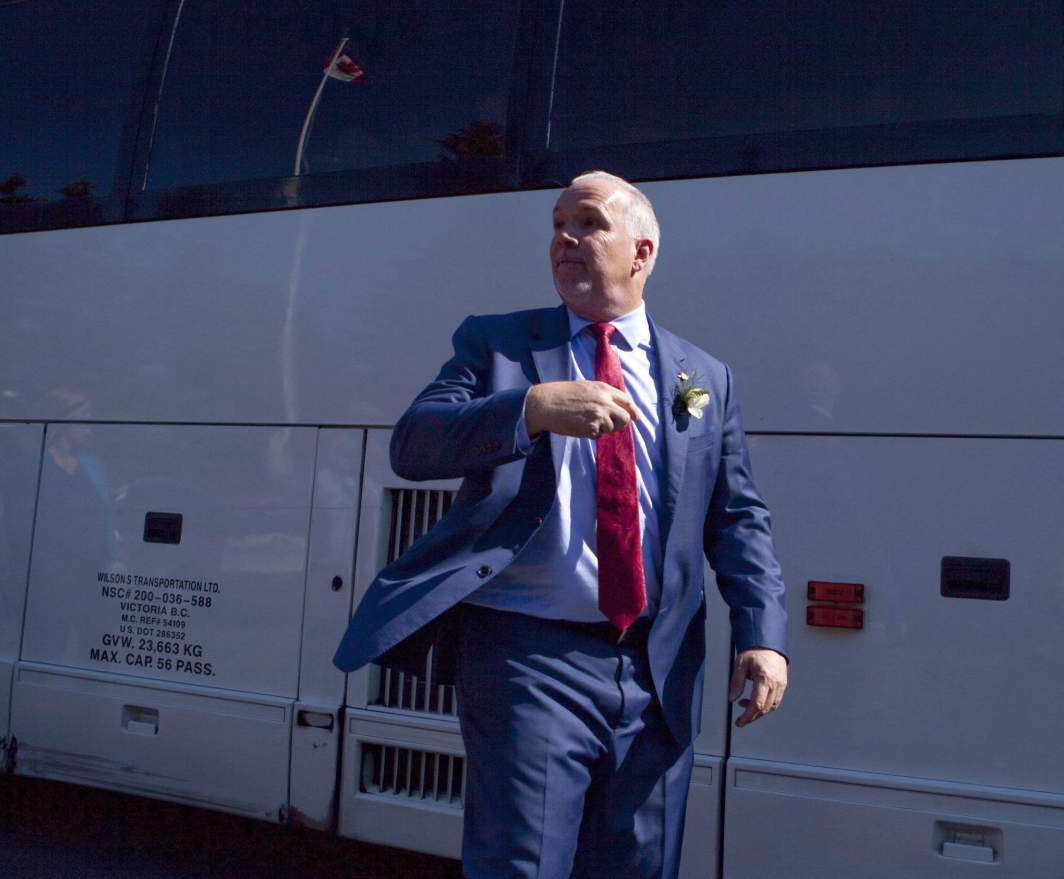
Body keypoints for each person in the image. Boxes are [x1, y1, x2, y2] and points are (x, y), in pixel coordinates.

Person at [333, 170, 788, 878]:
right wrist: (529, 410)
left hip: (658, 664)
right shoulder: (499, 346)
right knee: (524, 865)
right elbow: (413, 444)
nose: (564, 239)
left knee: (639, 866)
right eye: (556, 225)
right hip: (528, 658)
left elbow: (736, 517)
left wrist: (763, 634)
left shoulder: (703, 376)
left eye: (588, 224)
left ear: (642, 253)